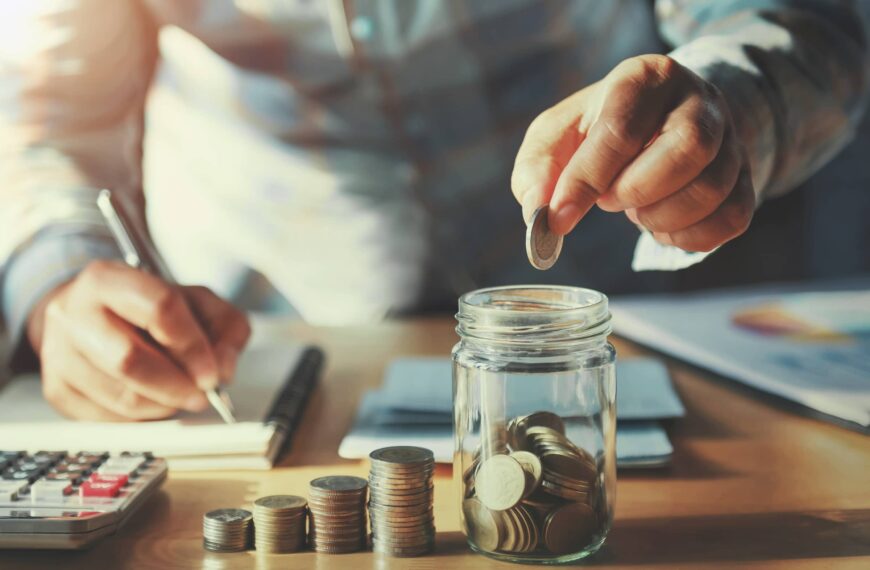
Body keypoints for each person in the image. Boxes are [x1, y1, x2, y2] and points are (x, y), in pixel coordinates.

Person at [0, 1, 866, 421]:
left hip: (641, 324)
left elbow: (810, 21)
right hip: (268, 354)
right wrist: (58, 276)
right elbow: (49, 112)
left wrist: (729, 105)